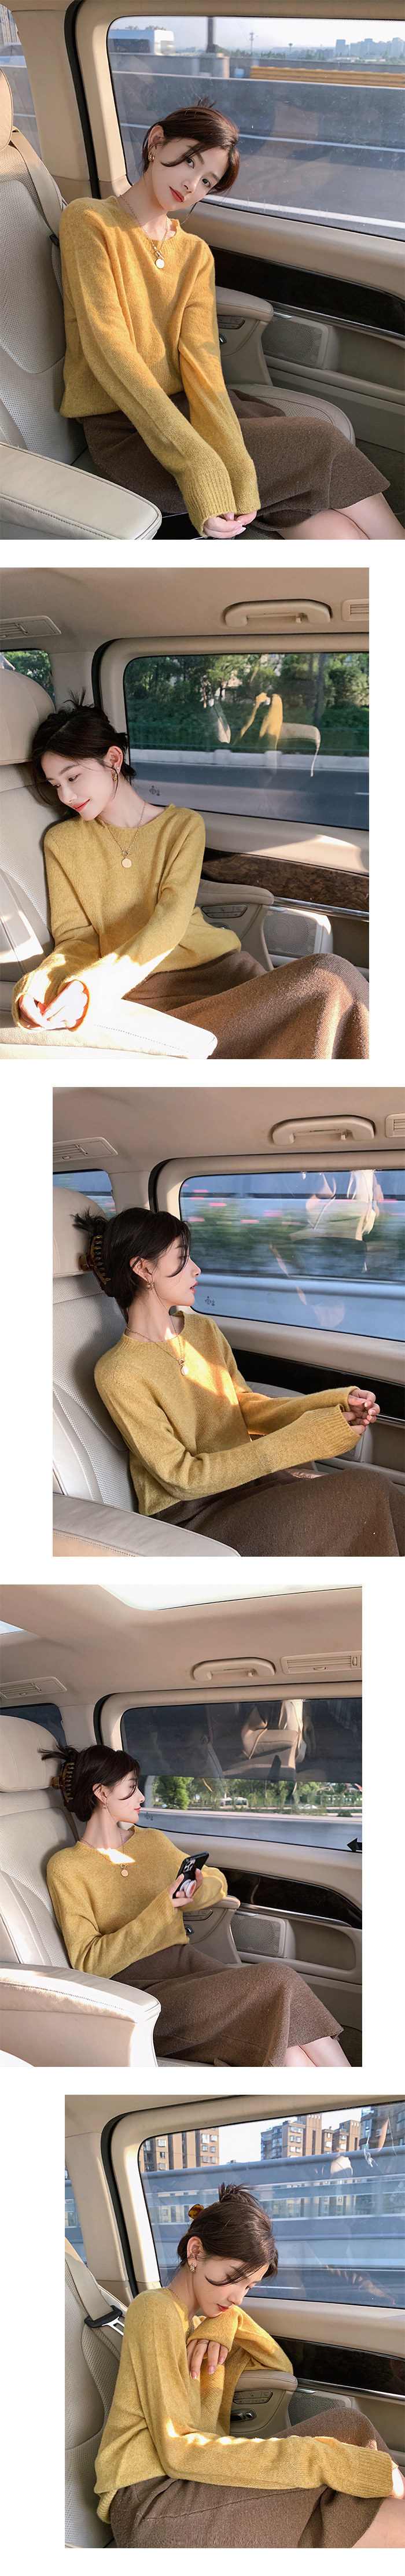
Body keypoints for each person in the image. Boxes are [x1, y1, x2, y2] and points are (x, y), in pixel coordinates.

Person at [57, 100, 404, 541]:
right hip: (129, 430)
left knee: (311, 508)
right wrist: (201, 468)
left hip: (190, 412)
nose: (192, 185)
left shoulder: (195, 254)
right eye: (190, 161)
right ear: (156, 142)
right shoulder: (90, 221)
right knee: (322, 442)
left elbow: (203, 367)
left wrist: (234, 464)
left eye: (207, 181)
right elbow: (110, 350)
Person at [13, 698, 370, 1059]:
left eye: (73, 777)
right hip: (146, 993)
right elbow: (76, 939)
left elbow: (170, 920)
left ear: (114, 760)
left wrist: (95, 986)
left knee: (337, 988)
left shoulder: (182, 826)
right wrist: (38, 988)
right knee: (331, 981)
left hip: (225, 971)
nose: (66, 795)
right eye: (56, 785)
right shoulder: (63, 842)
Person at [76, 1204, 403, 1557]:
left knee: (379, 1492)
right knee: (366, 1490)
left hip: (249, 1483)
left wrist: (331, 1405)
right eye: (182, 1259)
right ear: (143, 1269)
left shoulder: (202, 1330)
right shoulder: (119, 1372)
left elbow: (244, 1406)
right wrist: (302, 1440)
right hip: (195, 1515)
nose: (196, 1269)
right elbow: (182, 1478)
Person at [93, 2182, 404, 2545]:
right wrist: (326, 2460)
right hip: (153, 2499)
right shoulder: (155, 2309)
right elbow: (178, 2449)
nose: (238, 2296)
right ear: (196, 2252)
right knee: (344, 2481)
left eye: (249, 2287)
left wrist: (227, 2321)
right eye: (234, 2278)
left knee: (350, 2425)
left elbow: (278, 2365)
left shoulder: (201, 2325)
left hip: (189, 2481)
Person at [45, 1746, 350, 2068]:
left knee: (289, 2046)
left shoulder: (151, 1842)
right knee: (280, 1980)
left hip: (189, 1969)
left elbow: (216, 1881)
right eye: (132, 1788)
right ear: (101, 1792)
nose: (142, 1798)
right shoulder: (67, 1868)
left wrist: (197, 1888)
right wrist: (164, 1907)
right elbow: (89, 1963)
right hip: (139, 1998)